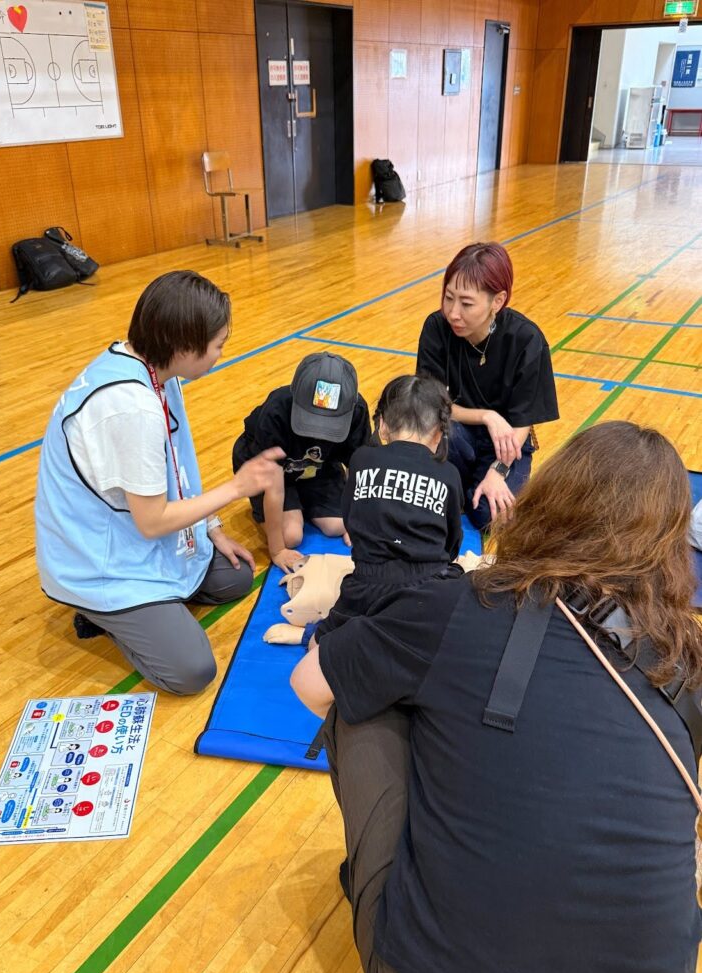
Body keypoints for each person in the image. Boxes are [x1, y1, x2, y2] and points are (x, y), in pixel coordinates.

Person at [291, 420, 702, 973]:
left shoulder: (459, 603)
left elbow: (311, 686)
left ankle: (381, 885)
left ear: (551, 501)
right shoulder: (686, 662)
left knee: (362, 694)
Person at [35, 270, 283, 695]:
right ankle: (102, 615)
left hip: (132, 531)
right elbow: (150, 522)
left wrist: (211, 527)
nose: (221, 353)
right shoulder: (132, 407)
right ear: (185, 346)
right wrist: (237, 488)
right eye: (218, 345)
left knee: (236, 577)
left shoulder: (153, 370)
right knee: (191, 671)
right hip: (100, 561)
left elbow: (177, 464)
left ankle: (152, 611)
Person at [311, 374, 464, 644]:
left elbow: (351, 518)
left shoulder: (361, 459)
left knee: (317, 644)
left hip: (367, 584)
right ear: (440, 433)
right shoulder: (449, 473)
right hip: (430, 586)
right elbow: (452, 543)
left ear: (381, 426)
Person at [416, 241, 559, 528]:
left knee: (489, 517)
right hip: (454, 433)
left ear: (498, 300)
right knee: (433, 503)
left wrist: (499, 470)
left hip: (507, 443)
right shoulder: (436, 327)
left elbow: (522, 422)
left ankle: (474, 484)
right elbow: (433, 404)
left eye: (466, 303)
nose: (453, 313)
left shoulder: (526, 339)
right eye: (448, 298)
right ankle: (460, 486)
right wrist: (486, 416)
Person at [232, 351, 371, 572]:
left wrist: (362, 519)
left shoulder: (357, 411)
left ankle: (302, 501)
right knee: (291, 536)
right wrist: (277, 550)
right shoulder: (276, 411)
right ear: (295, 394)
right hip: (270, 470)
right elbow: (274, 487)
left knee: (339, 525)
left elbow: (363, 469)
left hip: (318, 467)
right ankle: (293, 504)